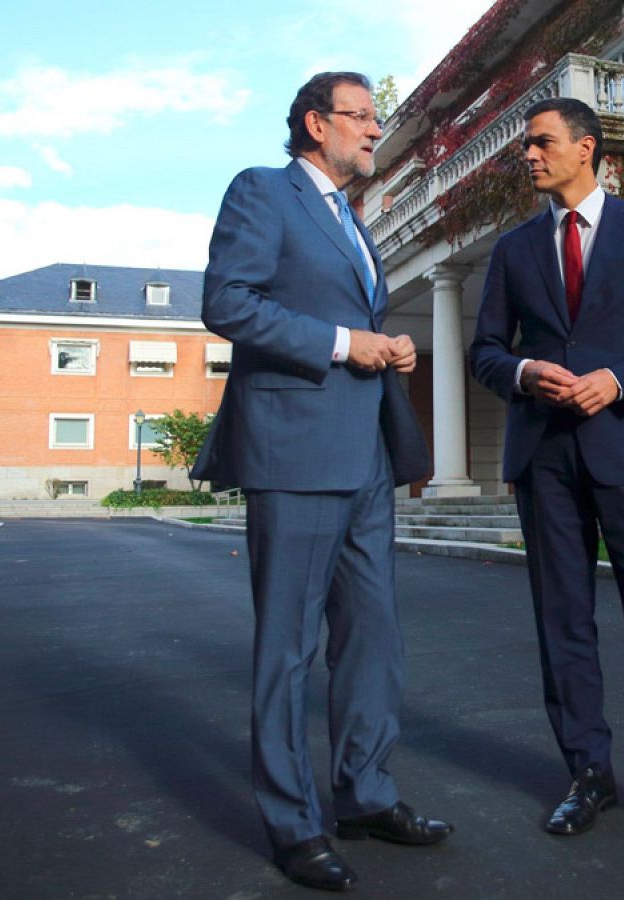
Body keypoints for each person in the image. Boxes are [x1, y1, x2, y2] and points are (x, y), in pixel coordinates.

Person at [192, 71, 449, 893]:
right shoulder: (263, 193)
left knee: (374, 637)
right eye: (363, 117)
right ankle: (293, 824)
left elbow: (354, 319)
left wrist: (387, 346)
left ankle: (366, 796)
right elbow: (227, 302)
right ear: (314, 122)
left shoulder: (352, 221)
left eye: (378, 118)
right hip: (293, 453)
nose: (377, 130)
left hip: (366, 457)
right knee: (289, 649)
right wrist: (345, 342)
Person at [468, 97, 624, 850]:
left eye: (541, 143)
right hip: (545, 460)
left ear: (586, 148)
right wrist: (521, 371)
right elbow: (483, 350)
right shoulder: (513, 250)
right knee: (563, 624)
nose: (530, 157)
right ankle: (588, 776)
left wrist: (619, 380)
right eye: (526, 147)